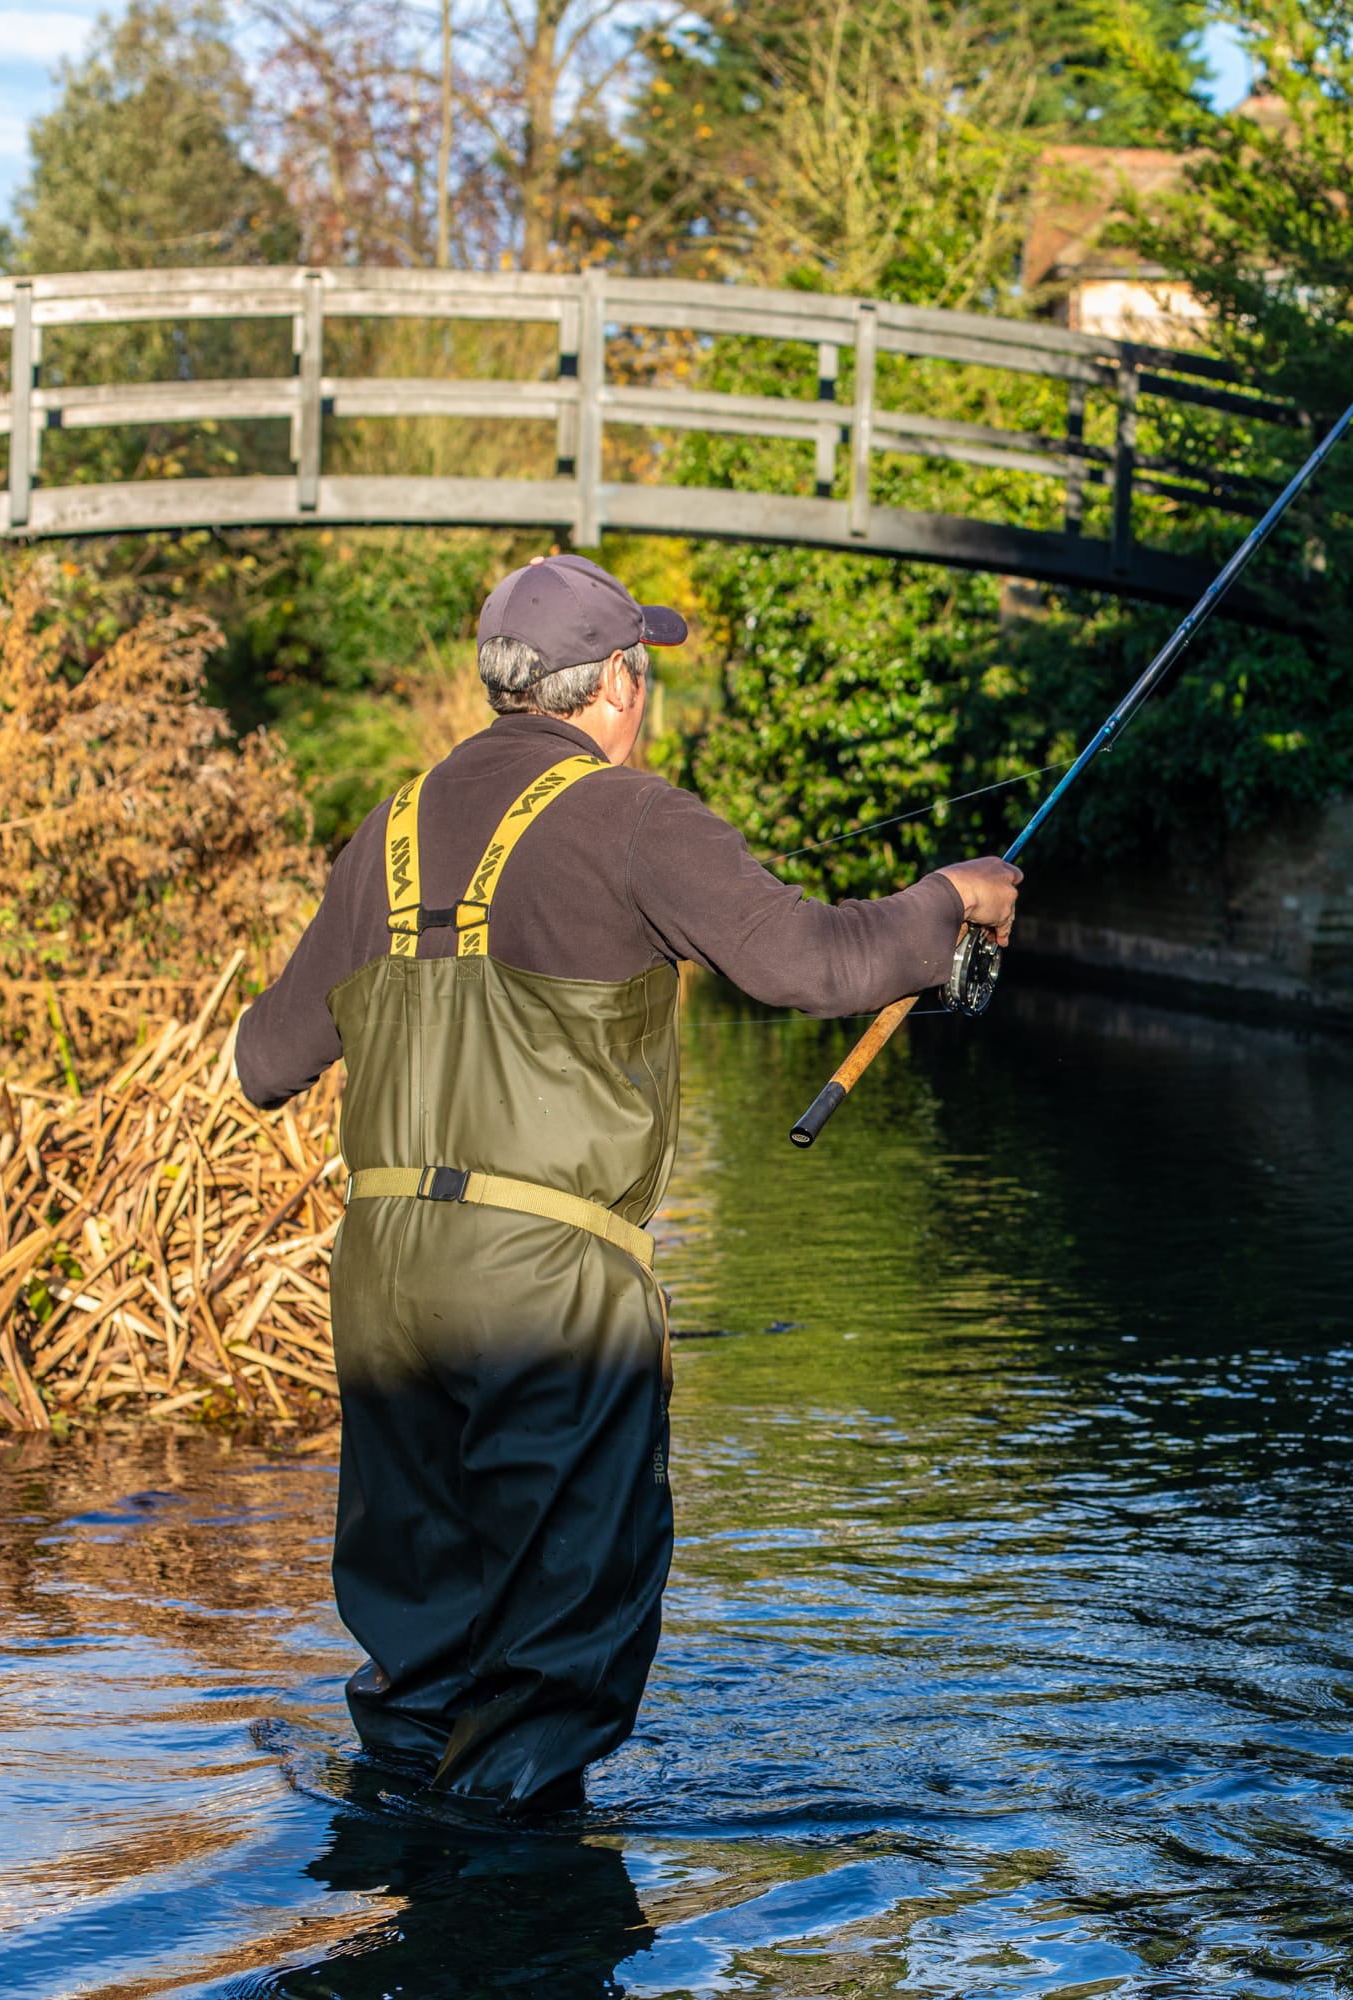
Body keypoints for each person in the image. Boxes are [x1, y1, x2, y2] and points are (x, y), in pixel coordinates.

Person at [234, 553, 1021, 1817]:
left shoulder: (377, 836)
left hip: (382, 1280)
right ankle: (503, 1909)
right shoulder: (635, 815)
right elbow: (811, 965)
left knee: (421, 1634)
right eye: (638, 673)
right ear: (614, 682)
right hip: (546, 1285)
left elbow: (263, 1060)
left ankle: (406, 1872)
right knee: (563, 1635)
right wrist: (951, 900)